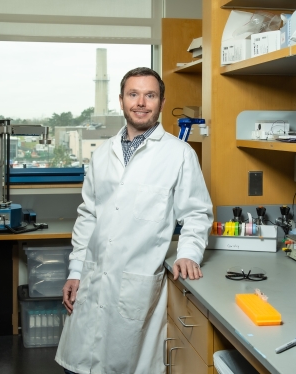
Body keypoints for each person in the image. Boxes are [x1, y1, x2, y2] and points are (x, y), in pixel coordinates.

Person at [55, 67, 213, 374]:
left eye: (150, 95)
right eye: (133, 94)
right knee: (77, 368)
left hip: (136, 285)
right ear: (121, 100)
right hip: (93, 279)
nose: (141, 102)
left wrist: (189, 253)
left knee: (122, 364)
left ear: (162, 102)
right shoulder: (102, 155)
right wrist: (75, 271)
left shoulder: (179, 154)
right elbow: (88, 216)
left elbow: (195, 212)